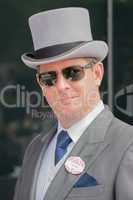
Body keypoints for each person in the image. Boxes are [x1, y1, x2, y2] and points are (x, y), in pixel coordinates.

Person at [14, 7, 133, 200]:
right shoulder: (35, 148)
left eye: (73, 72)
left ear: (97, 74)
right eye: (49, 77)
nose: (61, 86)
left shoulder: (127, 145)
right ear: (41, 85)